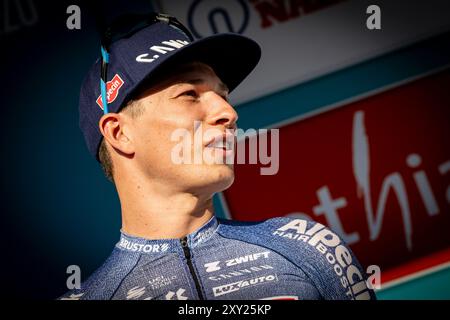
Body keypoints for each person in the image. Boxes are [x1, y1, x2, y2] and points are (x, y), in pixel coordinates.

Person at [60, 13, 376, 300]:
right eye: (189, 94)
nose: (228, 113)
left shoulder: (311, 249)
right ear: (120, 133)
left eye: (222, 95)